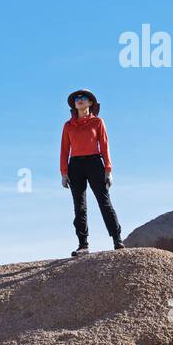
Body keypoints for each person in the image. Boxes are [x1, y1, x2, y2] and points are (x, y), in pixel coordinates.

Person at [59, 89, 124, 257]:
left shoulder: (98, 122)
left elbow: (104, 146)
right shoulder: (68, 125)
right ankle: (83, 245)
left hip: (95, 163)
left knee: (104, 201)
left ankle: (117, 239)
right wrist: (64, 172)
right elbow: (64, 150)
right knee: (79, 206)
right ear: (74, 105)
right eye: (76, 99)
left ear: (90, 103)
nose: (79, 100)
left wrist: (108, 169)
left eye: (83, 98)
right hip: (75, 166)